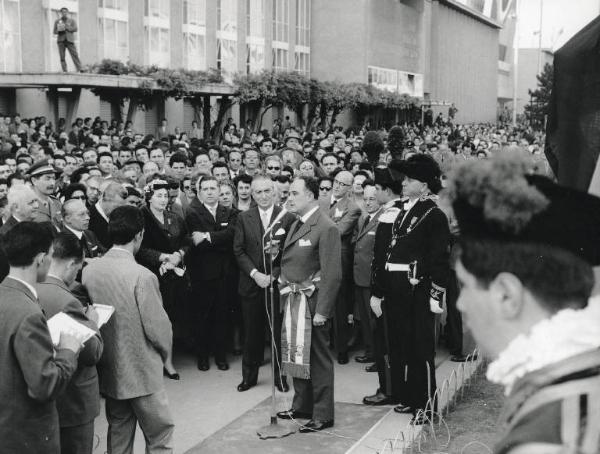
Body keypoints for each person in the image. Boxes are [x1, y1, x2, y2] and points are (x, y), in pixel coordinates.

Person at [83, 206, 175, 454]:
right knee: (160, 437)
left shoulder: (90, 270)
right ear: (139, 235)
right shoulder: (142, 276)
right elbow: (158, 329)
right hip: (142, 371)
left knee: (119, 435)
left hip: (111, 369)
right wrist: (167, 358)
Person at [370, 155, 450, 423]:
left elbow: (439, 259)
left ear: (425, 185)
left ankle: (426, 406)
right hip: (398, 290)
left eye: (410, 179)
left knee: (420, 349)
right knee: (402, 345)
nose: (403, 183)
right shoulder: (404, 210)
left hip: (419, 290)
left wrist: (435, 294)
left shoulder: (435, 215)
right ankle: (409, 397)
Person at [0, 222, 83, 453]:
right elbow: (44, 386)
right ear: (40, 259)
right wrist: (68, 351)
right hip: (26, 435)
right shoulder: (28, 313)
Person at [276, 176, 342, 433]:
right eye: (288, 193)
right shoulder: (296, 222)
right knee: (297, 353)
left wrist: (323, 311)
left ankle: (323, 413)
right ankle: (302, 405)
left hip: (312, 304)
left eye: (294, 193)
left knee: (318, 359)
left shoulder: (326, 227)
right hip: (294, 300)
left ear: (311, 195)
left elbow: (332, 273)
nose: (288, 198)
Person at [36, 233, 103, 454]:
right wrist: (93, 323)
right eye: (79, 266)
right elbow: (92, 353)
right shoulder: (67, 301)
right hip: (72, 401)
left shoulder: (32, 287)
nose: (77, 274)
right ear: (71, 264)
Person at [233, 175, 295, 392]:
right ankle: (249, 377)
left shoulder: (287, 217)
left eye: (267, 191)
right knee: (252, 333)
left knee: (278, 332)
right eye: (258, 192)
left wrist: (274, 274)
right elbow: (238, 250)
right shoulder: (243, 217)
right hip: (251, 284)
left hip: (277, 284)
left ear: (274, 191)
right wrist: (255, 274)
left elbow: (290, 251)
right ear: (252, 194)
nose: (263, 196)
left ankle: (280, 377)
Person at [137, 179, 191, 380]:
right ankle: (158, 362)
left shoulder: (174, 216)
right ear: (149, 196)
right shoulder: (141, 217)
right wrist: (161, 257)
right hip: (152, 273)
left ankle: (169, 359)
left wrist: (178, 254)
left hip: (175, 273)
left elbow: (186, 240)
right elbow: (138, 248)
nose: (162, 199)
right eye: (158, 195)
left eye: (165, 195)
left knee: (171, 316)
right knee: (153, 319)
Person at [185, 175, 237, 371]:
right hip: (202, 274)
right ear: (199, 193)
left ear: (218, 190)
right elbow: (196, 245)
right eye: (205, 189)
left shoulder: (229, 212)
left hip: (226, 273)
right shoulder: (192, 213)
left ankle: (221, 356)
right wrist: (218, 240)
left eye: (213, 188)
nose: (209, 192)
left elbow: (232, 235)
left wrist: (207, 236)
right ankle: (203, 356)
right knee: (203, 316)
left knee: (222, 316)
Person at [320, 170, 361, 364]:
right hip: (317, 256)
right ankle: (322, 346)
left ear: (350, 188)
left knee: (340, 305)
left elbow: (339, 230)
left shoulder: (352, 208)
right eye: (335, 181)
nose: (337, 186)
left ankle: (341, 348)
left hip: (338, 258)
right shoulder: (320, 201)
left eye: (342, 184)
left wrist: (321, 227)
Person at [352, 180, 383, 366]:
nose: (368, 202)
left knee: (374, 321)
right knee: (365, 318)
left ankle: (378, 357)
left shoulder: (383, 219)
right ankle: (371, 352)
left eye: (372, 198)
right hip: (360, 277)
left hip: (372, 278)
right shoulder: (364, 219)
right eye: (365, 199)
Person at [88, 181, 127, 248]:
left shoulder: (118, 218)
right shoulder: (88, 218)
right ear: (104, 199)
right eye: (116, 207)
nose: (119, 211)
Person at [28, 160, 62, 227]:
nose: (52, 183)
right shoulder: (27, 204)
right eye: (47, 178)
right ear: (34, 181)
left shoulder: (56, 203)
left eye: (53, 178)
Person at [53, 7, 82, 72]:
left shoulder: (72, 20)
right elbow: (54, 31)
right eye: (63, 12)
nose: (64, 13)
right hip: (61, 40)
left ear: (67, 13)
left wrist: (67, 28)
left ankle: (80, 68)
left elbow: (75, 29)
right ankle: (65, 70)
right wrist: (60, 30)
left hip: (70, 40)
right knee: (62, 57)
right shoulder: (57, 21)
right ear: (61, 13)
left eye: (65, 12)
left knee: (75, 54)